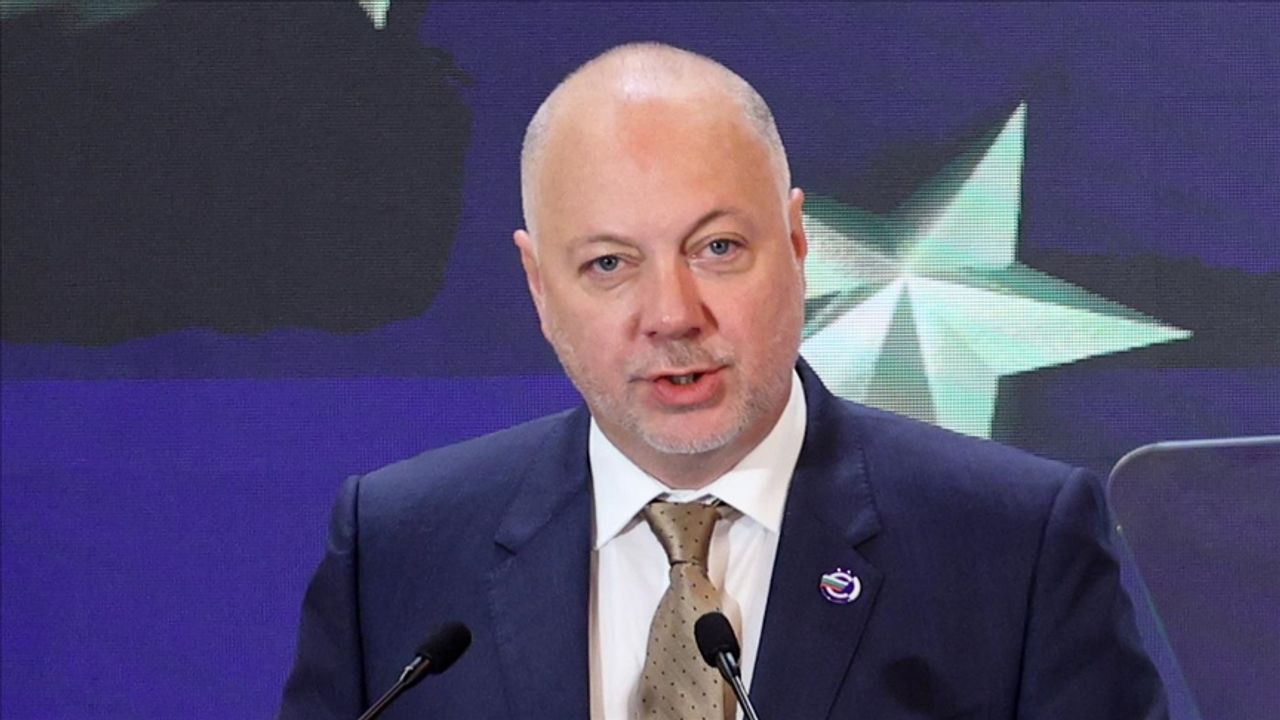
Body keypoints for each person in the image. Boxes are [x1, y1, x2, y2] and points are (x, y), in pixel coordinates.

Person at [278, 43, 1167, 720]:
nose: (672, 314)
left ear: (798, 244)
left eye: (717, 248)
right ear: (539, 288)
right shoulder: (397, 550)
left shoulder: (1013, 547)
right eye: (609, 264)